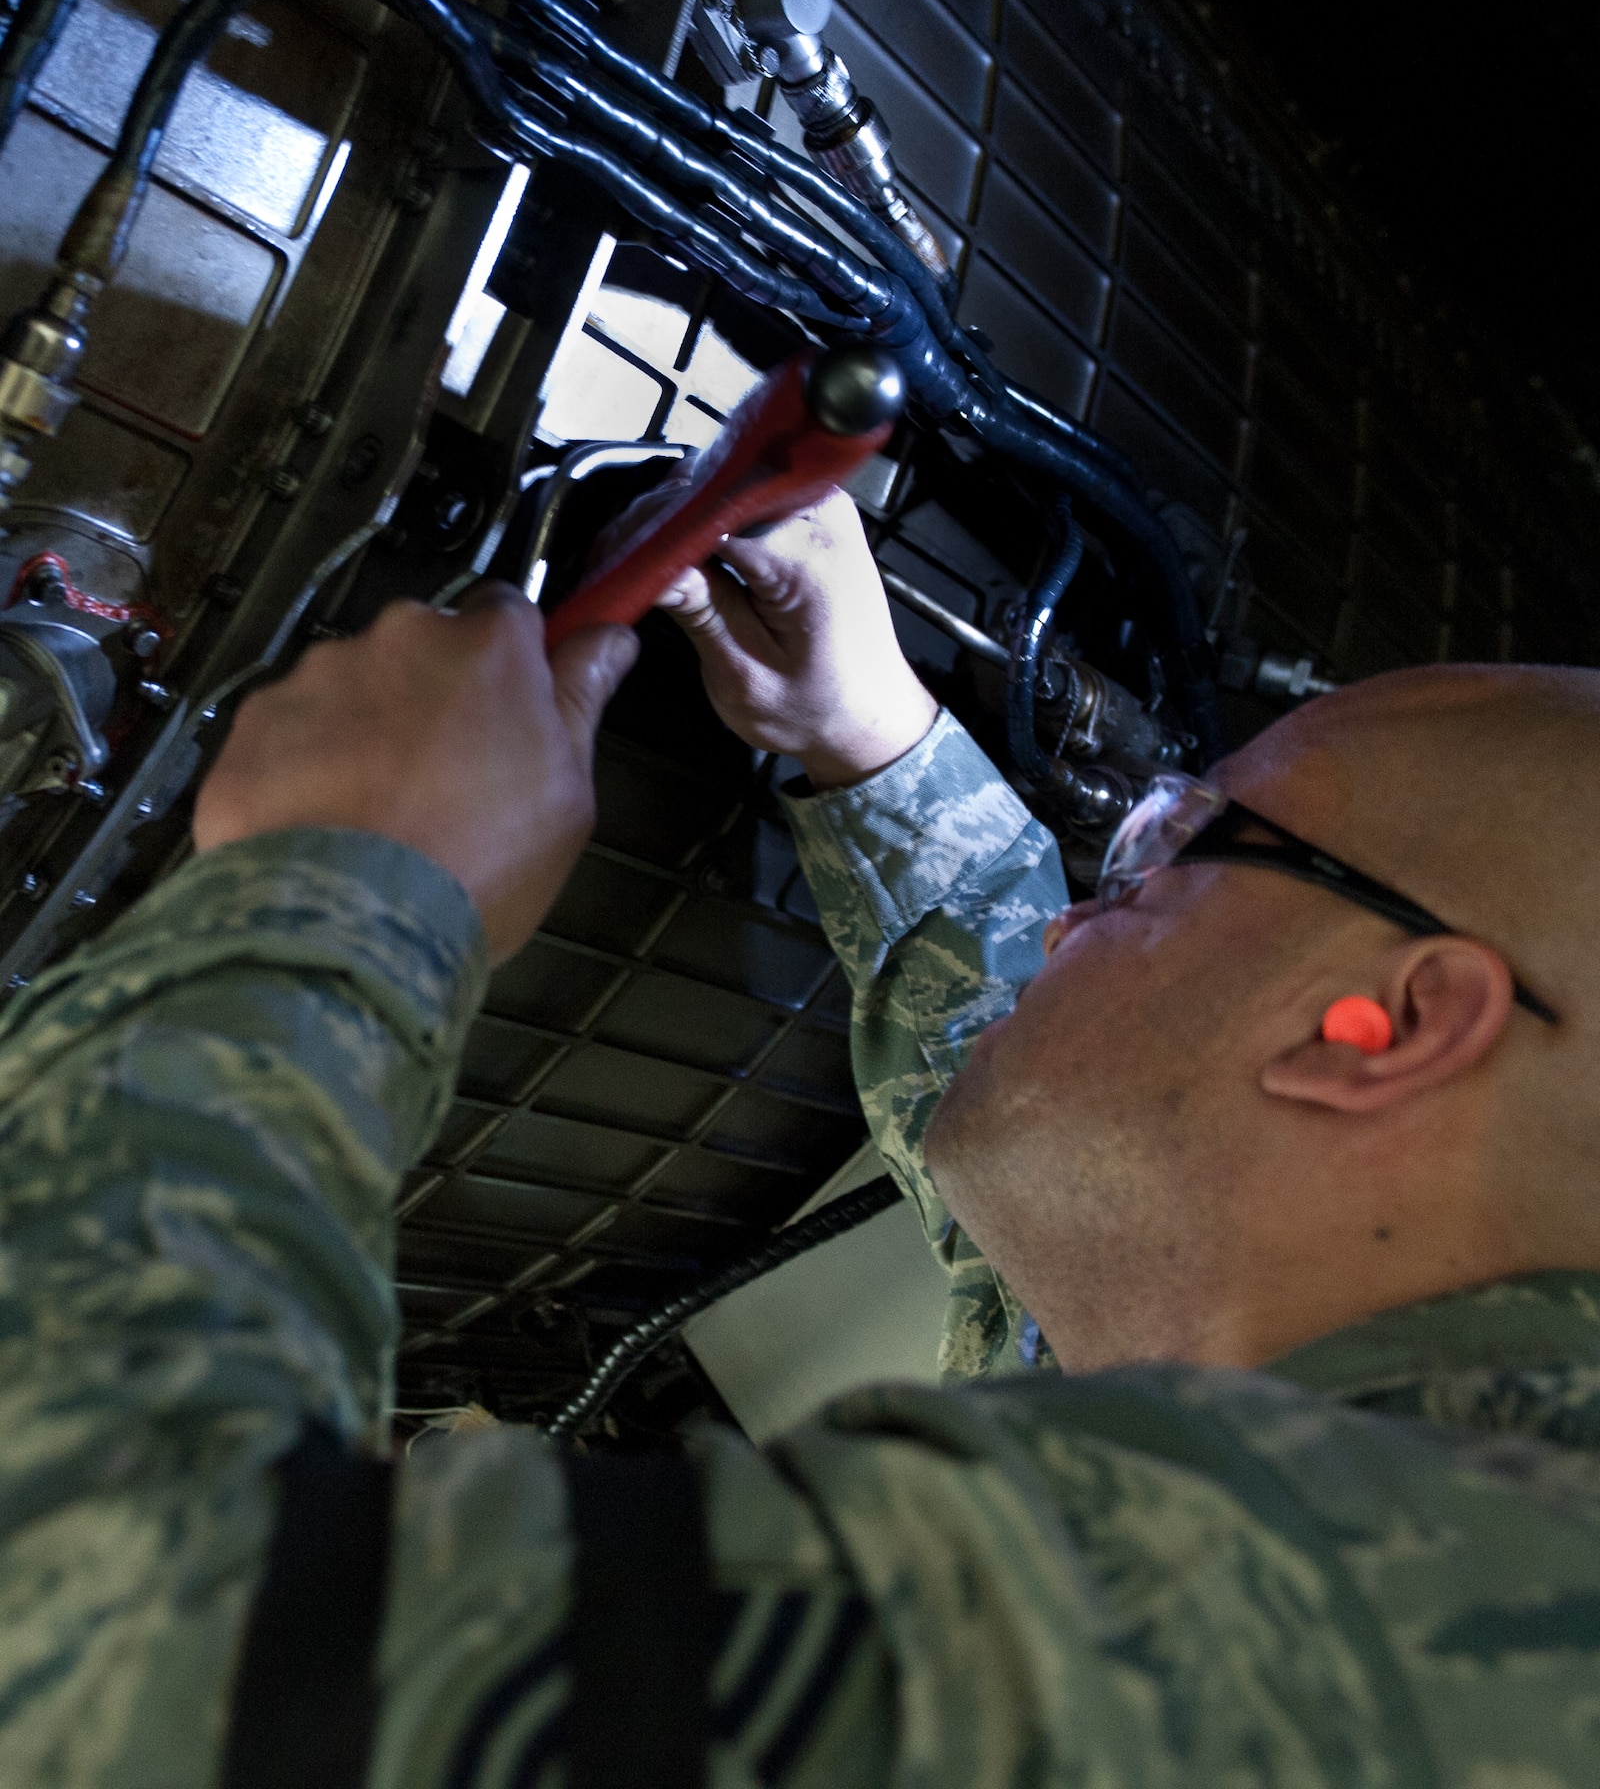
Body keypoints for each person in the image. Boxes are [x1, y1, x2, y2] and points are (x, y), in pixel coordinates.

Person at [2, 485, 1600, 1787]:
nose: (1089, 898)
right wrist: (875, 746)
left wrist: (340, 890)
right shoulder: (1396, 1445)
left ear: (1385, 1024)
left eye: (1182, 843)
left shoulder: (1386, 1631)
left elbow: (107, 1642)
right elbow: (1095, 1195)